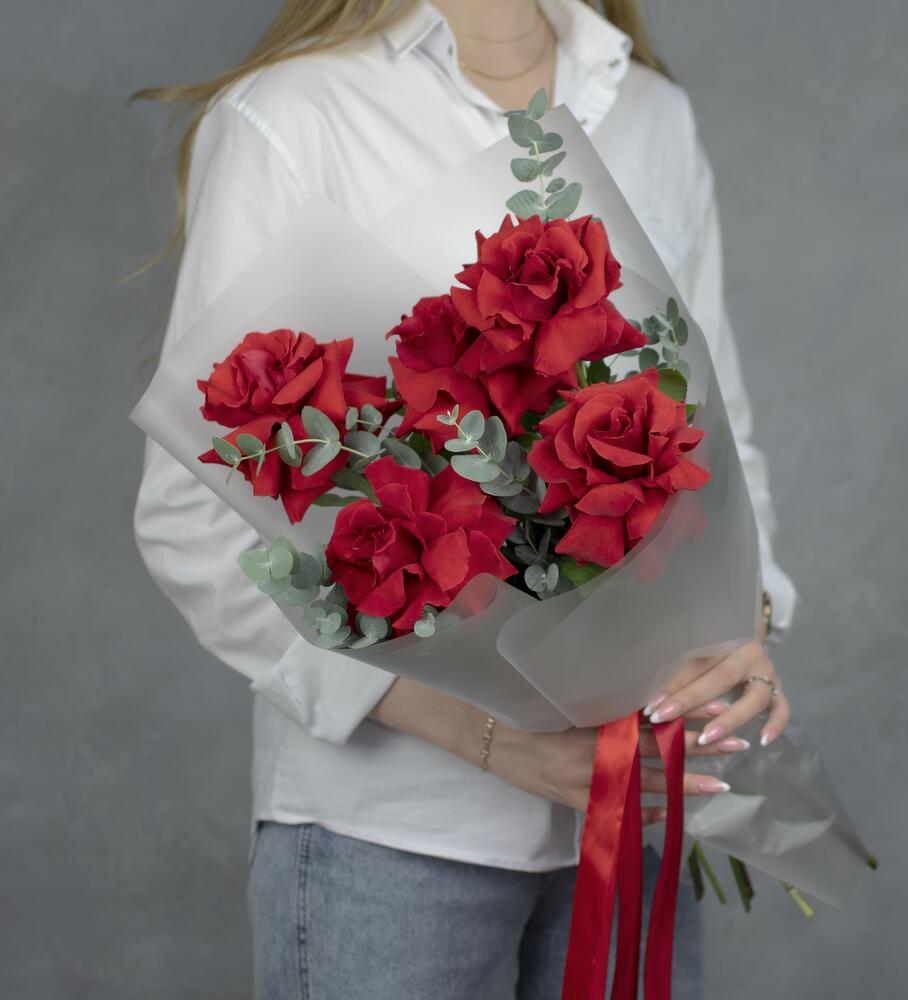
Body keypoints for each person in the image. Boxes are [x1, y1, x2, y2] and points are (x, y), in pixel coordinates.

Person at [133, 1, 799, 997]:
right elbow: (193, 516)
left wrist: (741, 631)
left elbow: (719, 430)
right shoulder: (296, 114)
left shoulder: (652, 113)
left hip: (640, 814)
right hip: (392, 847)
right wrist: (483, 735)